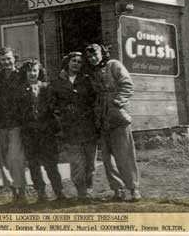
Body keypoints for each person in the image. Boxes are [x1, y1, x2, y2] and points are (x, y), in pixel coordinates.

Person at [84, 43, 142, 202]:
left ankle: (133, 188)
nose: (93, 58)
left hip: (117, 116)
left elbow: (128, 85)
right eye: (89, 57)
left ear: (102, 53)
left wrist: (117, 102)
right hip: (101, 119)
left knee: (124, 154)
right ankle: (118, 189)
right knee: (107, 158)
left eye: (95, 54)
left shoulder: (114, 65)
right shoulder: (91, 73)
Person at [51, 52, 98, 200]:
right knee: (77, 163)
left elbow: (94, 101)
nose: (76, 63)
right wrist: (61, 122)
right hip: (70, 129)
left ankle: (89, 188)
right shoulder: (57, 83)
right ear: (67, 62)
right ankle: (81, 192)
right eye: (73, 61)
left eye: (79, 61)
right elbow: (53, 106)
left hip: (88, 127)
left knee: (90, 163)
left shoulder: (87, 81)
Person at [17, 58, 66, 202]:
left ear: (39, 72)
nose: (32, 74)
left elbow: (54, 109)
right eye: (29, 71)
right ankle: (41, 192)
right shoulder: (21, 91)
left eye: (35, 71)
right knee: (33, 164)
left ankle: (59, 191)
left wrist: (52, 126)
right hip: (29, 133)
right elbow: (18, 111)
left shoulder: (47, 88)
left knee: (51, 163)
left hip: (46, 132)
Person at [0, 47, 26, 204]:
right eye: (3, 59)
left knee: (15, 158)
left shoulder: (22, 75)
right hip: (0, 124)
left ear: (15, 58)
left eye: (9, 58)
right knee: (5, 160)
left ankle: (22, 191)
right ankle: (14, 192)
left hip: (17, 123)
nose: (6, 62)